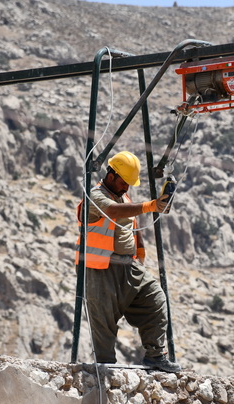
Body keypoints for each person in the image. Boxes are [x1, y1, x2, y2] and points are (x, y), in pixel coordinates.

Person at [75, 150, 181, 373]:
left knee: (155, 298)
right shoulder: (95, 196)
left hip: (128, 267)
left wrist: (140, 251)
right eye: (124, 182)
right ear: (111, 175)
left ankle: (155, 355)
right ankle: (104, 372)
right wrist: (151, 205)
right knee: (103, 323)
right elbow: (112, 211)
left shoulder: (124, 198)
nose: (127, 188)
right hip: (100, 268)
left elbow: (132, 225)